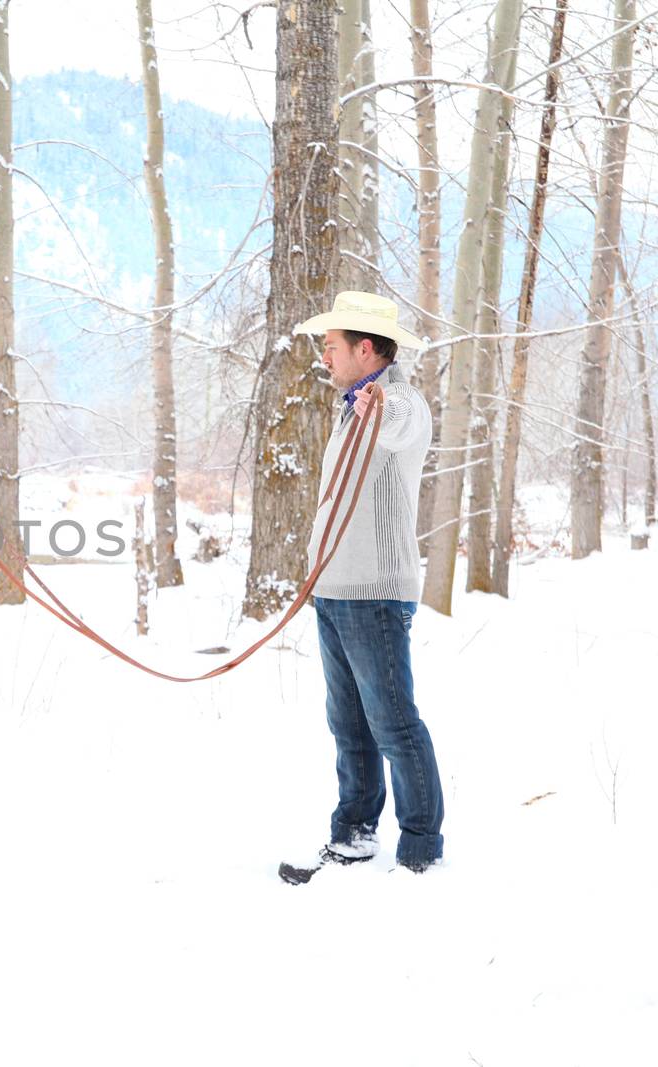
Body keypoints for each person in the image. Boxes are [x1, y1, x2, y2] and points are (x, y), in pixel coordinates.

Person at [283, 291, 444, 882]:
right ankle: (352, 835)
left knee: (393, 722)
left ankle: (421, 847)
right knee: (348, 724)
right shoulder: (352, 407)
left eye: (331, 347)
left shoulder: (398, 402)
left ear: (366, 349)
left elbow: (398, 425)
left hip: (374, 593)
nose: (324, 357)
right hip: (336, 590)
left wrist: (380, 403)